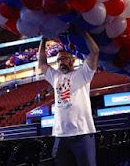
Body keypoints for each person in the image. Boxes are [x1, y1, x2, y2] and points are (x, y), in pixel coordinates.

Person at [38, 32, 99, 166]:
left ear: (72, 60)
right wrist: (43, 40)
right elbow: (42, 63)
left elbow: (94, 52)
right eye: (58, 60)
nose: (60, 62)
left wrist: (84, 33)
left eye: (64, 58)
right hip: (60, 135)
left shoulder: (83, 73)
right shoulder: (55, 77)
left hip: (82, 133)